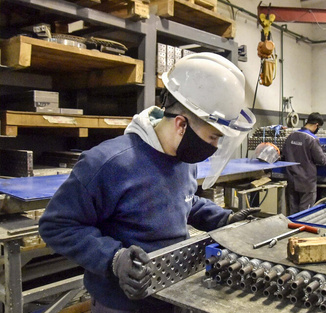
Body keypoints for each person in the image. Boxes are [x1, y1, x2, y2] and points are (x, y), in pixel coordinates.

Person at [38, 52, 259, 313]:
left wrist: (224, 219)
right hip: (121, 305)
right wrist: (114, 258)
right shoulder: (109, 163)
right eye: (213, 137)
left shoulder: (182, 158)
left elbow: (183, 201)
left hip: (172, 295)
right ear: (181, 125)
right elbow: (56, 225)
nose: (214, 146)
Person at [282, 112, 326, 215]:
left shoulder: (291, 136)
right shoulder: (312, 139)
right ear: (316, 125)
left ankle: (294, 230)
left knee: (293, 212)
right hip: (306, 182)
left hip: (292, 180)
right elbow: (321, 160)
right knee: (305, 214)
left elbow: (284, 154)